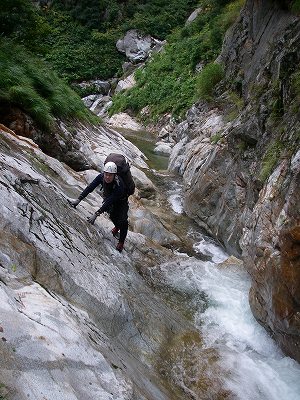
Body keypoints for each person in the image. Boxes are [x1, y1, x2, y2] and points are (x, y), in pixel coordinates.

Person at [69, 161, 129, 252]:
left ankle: (121, 242)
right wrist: (79, 199)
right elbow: (90, 187)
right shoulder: (101, 177)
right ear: (104, 173)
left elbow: (109, 201)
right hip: (109, 197)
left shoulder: (119, 185)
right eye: (106, 174)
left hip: (121, 201)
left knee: (123, 220)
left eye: (110, 175)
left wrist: (96, 214)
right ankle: (117, 227)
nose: (107, 177)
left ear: (115, 175)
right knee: (112, 216)